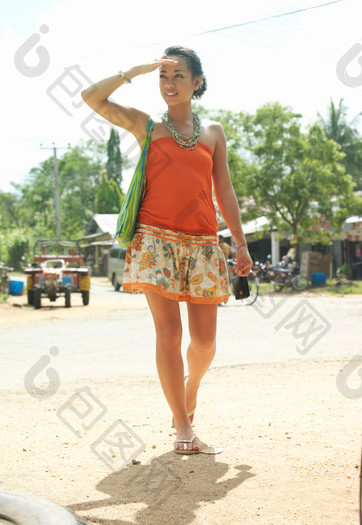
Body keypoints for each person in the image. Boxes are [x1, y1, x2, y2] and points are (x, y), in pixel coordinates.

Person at [81, 46, 252, 455]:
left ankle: (190, 389)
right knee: (169, 333)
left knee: (205, 342)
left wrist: (240, 243)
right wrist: (134, 71)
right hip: (154, 240)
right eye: (163, 77)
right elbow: (92, 97)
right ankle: (182, 424)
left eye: (178, 76)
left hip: (203, 244)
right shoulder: (147, 126)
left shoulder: (213, 132)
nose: (168, 84)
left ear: (197, 83)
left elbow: (223, 188)